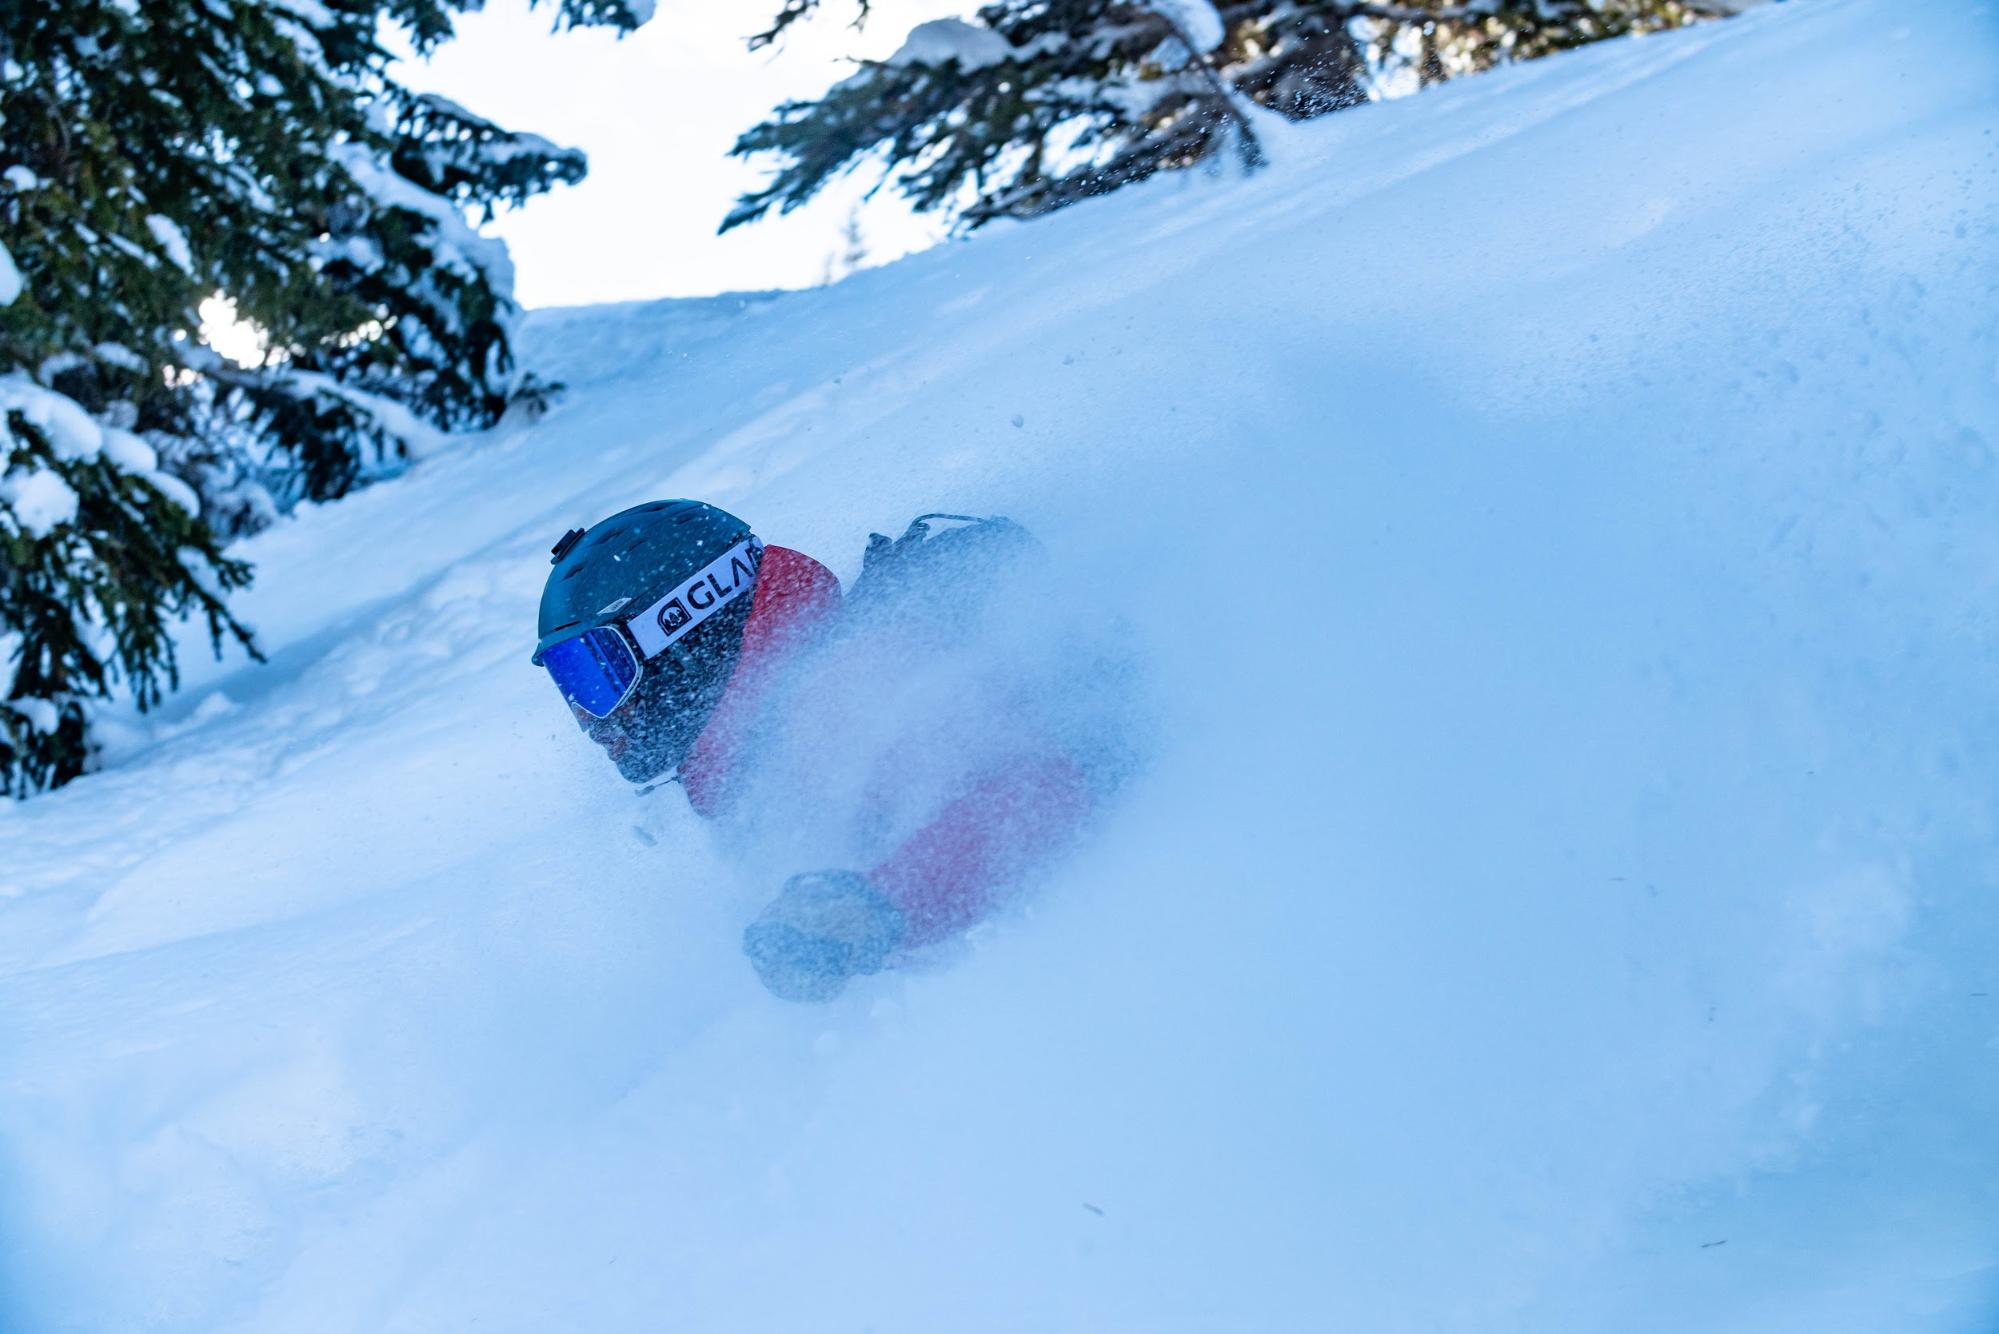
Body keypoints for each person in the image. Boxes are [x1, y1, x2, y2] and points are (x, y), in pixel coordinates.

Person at [530, 499, 1111, 1002]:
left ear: (688, 632)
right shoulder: (764, 744)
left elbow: (1041, 788)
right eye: (569, 684)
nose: (592, 723)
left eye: (595, 676)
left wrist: (874, 906)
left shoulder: (852, 682)